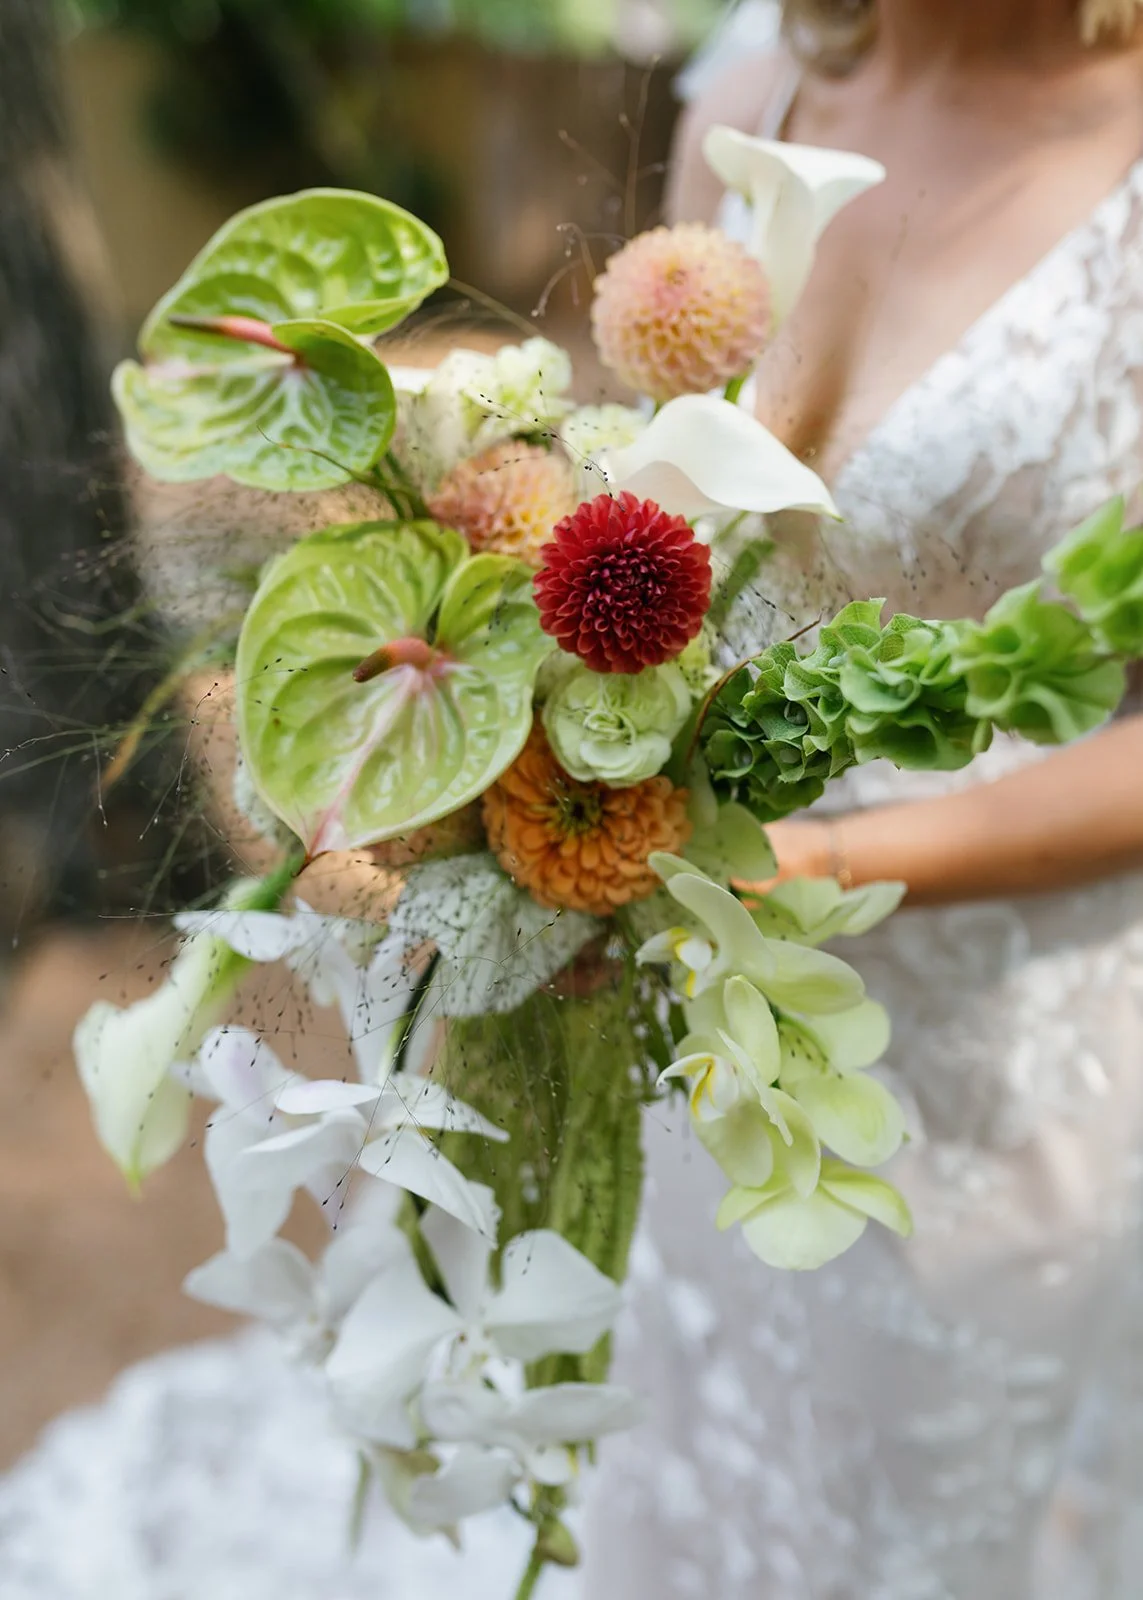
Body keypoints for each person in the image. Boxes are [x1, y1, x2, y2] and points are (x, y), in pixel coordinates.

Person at [576, 1, 1143, 1595]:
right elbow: (677, 516)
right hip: (704, 986)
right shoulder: (747, 103)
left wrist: (812, 861)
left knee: (927, 1513)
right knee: (704, 1435)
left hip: (993, 1059)